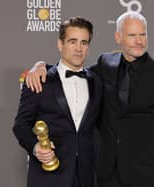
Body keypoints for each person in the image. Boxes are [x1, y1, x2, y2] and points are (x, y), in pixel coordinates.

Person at [27, 12, 154, 187]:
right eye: (132, 35)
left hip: (145, 173)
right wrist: (41, 66)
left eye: (143, 35)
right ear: (118, 37)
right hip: (105, 173)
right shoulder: (106, 64)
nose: (139, 41)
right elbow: (73, 70)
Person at [13, 17, 102, 187]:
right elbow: (21, 125)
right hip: (48, 176)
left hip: (86, 176)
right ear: (60, 44)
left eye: (84, 43)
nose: (78, 48)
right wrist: (36, 148)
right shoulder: (40, 79)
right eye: (72, 41)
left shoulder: (97, 82)